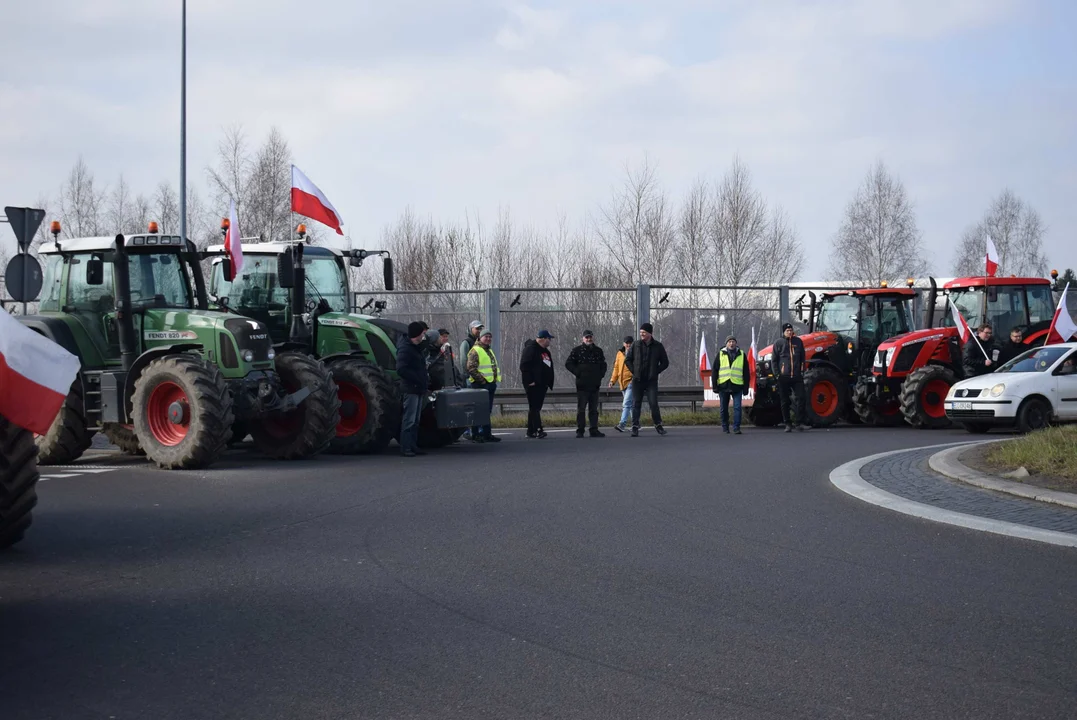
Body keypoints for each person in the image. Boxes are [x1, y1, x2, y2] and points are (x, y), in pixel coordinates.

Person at [623, 323, 669, 437]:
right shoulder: (636, 345)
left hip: (651, 381)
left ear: (650, 333)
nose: (641, 334)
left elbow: (665, 363)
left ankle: (658, 425)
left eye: (644, 332)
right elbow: (627, 360)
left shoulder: (658, 346)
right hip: (637, 380)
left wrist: (655, 371)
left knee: (653, 403)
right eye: (640, 332)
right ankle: (635, 427)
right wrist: (634, 371)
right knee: (636, 404)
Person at [565, 330, 608, 438]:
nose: (589, 339)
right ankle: (580, 430)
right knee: (581, 409)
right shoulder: (577, 351)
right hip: (582, 385)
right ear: (583, 338)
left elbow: (604, 364)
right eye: (587, 337)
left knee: (594, 410)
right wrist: (578, 372)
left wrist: (600, 375)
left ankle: (594, 429)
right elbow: (568, 363)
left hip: (594, 384)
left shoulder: (598, 351)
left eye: (590, 337)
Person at [396, 321, 429, 457]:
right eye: (422, 334)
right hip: (411, 388)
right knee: (409, 419)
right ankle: (406, 447)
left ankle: (413, 445)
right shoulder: (405, 349)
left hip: (418, 388)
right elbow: (401, 369)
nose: (423, 336)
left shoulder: (415, 347)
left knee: (415, 420)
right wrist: (417, 378)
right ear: (417, 334)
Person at [466, 329, 501, 443]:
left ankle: (486, 434)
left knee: (486, 411)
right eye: (486, 336)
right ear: (480, 338)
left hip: (490, 384)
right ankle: (475, 434)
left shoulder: (488, 350)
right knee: (477, 411)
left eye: (490, 337)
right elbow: (471, 368)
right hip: (480, 385)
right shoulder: (475, 350)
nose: (488, 339)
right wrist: (483, 382)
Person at [772, 322, 808, 432]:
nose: (789, 332)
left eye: (791, 330)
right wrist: (777, 374)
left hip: (796, 376)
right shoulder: (778, 343)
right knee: (785, 401)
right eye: (787, 330)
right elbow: (774, 360)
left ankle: (799, 423)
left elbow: (802, 357)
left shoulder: (798, 342)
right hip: (783, 377)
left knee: (801, 398)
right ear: (783, 332)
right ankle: (787, 423)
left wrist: (802, 370)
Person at [520, 329, 555, 439]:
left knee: (535, 408)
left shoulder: (544, 351)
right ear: (543, 339)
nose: (550, 341)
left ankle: (530, 431)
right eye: (549, 339)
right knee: (534, 407)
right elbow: (524, 366)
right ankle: (539, 429)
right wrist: (530, 381)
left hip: (542, 384)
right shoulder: (531, 349)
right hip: (533, 384)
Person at [712, 335, 750, 435]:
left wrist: (746, 387)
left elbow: (746, 372)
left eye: (733, 341)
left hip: (737, 385)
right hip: (724, 385)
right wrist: (714, 385)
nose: (731, 343)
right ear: (726, 344)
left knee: (737, 407)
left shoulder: (742, 354)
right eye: (729, 342)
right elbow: (714, 370)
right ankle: (725, 427)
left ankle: (736, 427)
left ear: (736, 343)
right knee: (723, 408)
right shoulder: (720, 354)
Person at [608, 336, 634, 432]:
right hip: (622, 383)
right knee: (631, 405)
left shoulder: (635, 353)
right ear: (624, 344)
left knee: (626, 404)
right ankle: (636, 423)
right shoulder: (619, 354)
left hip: (631, 382)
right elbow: (616, 368)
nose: (628, 345)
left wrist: (634, 378)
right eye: (627, 343)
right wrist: (612, 381)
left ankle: (622, 424)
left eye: (630, 343)